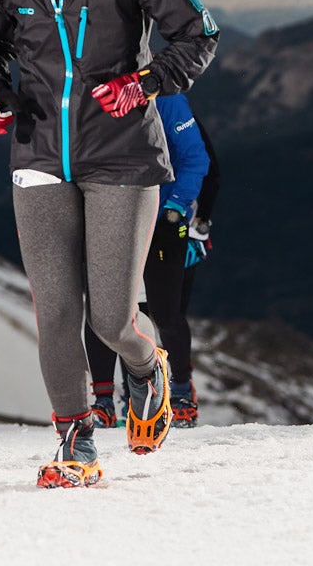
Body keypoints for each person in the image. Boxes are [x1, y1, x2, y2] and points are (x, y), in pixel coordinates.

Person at [0, 0, 218, 488]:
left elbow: (198, 34)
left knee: (110, 317)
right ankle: (75, 439)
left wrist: (148, 82)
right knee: (55, 310)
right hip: (39, 153)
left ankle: (144, 365)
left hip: (124, 157)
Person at [84, 93, 219, 429]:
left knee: (164, 312)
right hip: (108, 218)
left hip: (163, 223)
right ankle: (104, 401)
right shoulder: (89, 93)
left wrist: (179, 207)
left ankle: (181, 394)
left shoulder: (167, 98)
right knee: (103, 312)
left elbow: (197, 158)